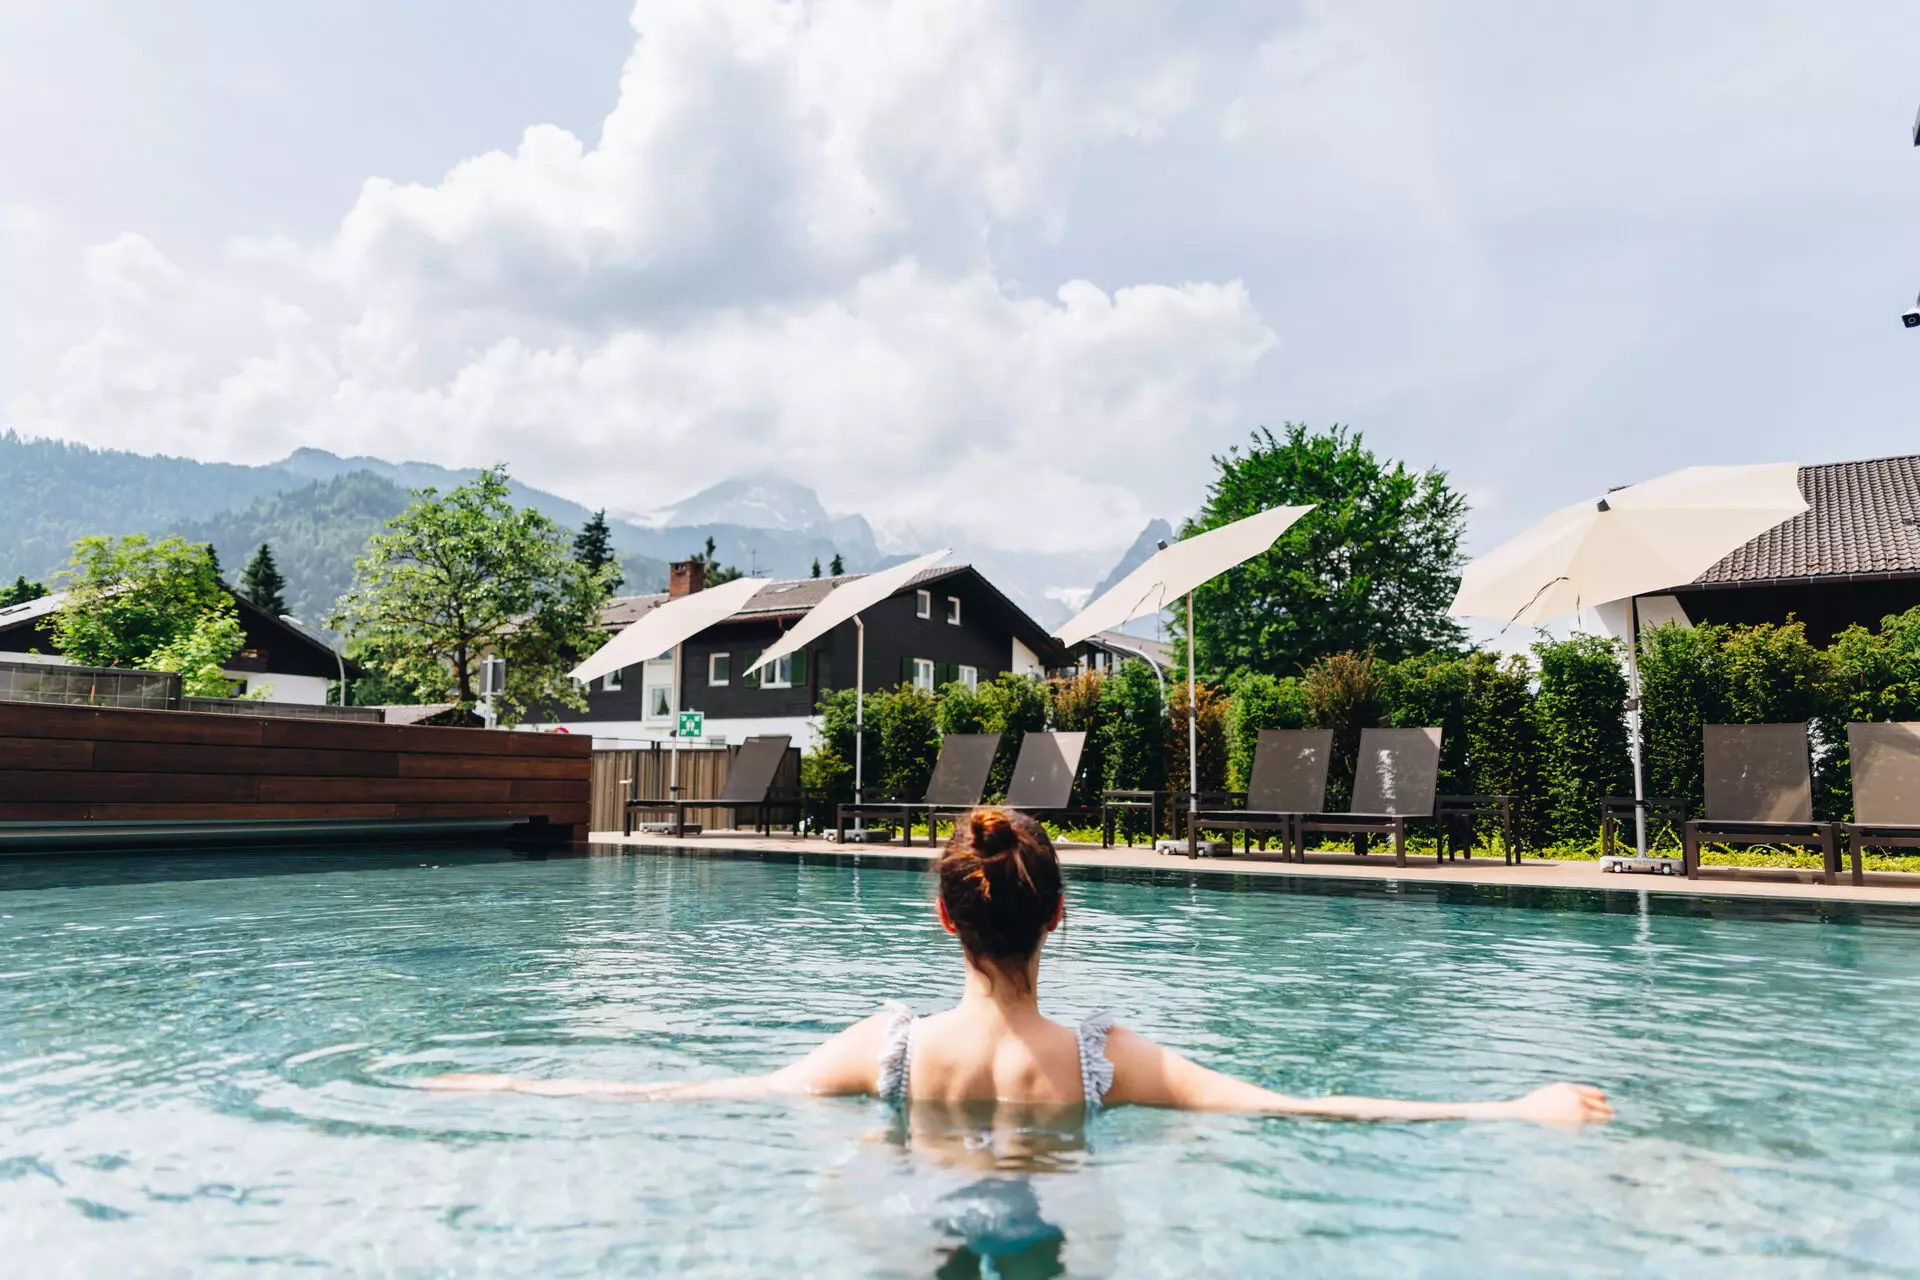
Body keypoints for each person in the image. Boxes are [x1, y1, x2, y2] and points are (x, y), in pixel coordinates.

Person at [428, 808, 1612, 1125]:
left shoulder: (882, 1048)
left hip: (917, 1175)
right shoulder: (1107, 1061)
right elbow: (1298, 1105)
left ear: (946, 919)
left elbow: (687, 1093)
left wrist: (516, 1086)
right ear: (1058, 921)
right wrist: (1508, 1103)